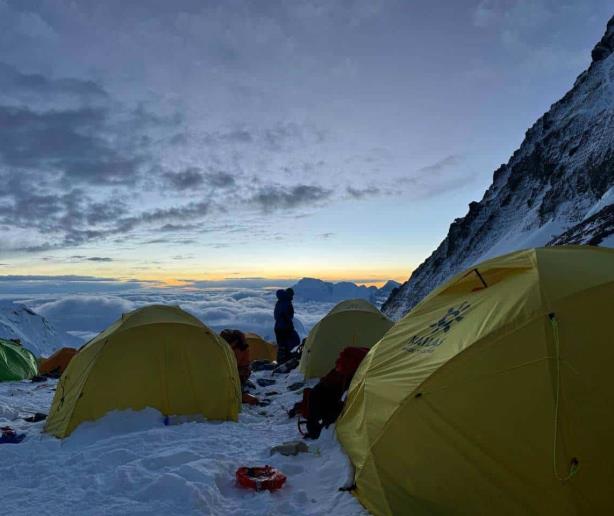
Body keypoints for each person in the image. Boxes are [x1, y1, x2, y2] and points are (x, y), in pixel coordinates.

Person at [274, 288, 299, 364]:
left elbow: (276, 315)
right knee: (294, 340)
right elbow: (288, 316)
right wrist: (288, 324)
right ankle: (285, 358)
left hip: (278, 327)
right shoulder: (287, 303)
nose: (292, 297)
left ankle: (282, 359)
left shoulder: (279, 302)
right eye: (292, 295)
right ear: (289, 294)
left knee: (283, 345)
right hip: (285, 327)